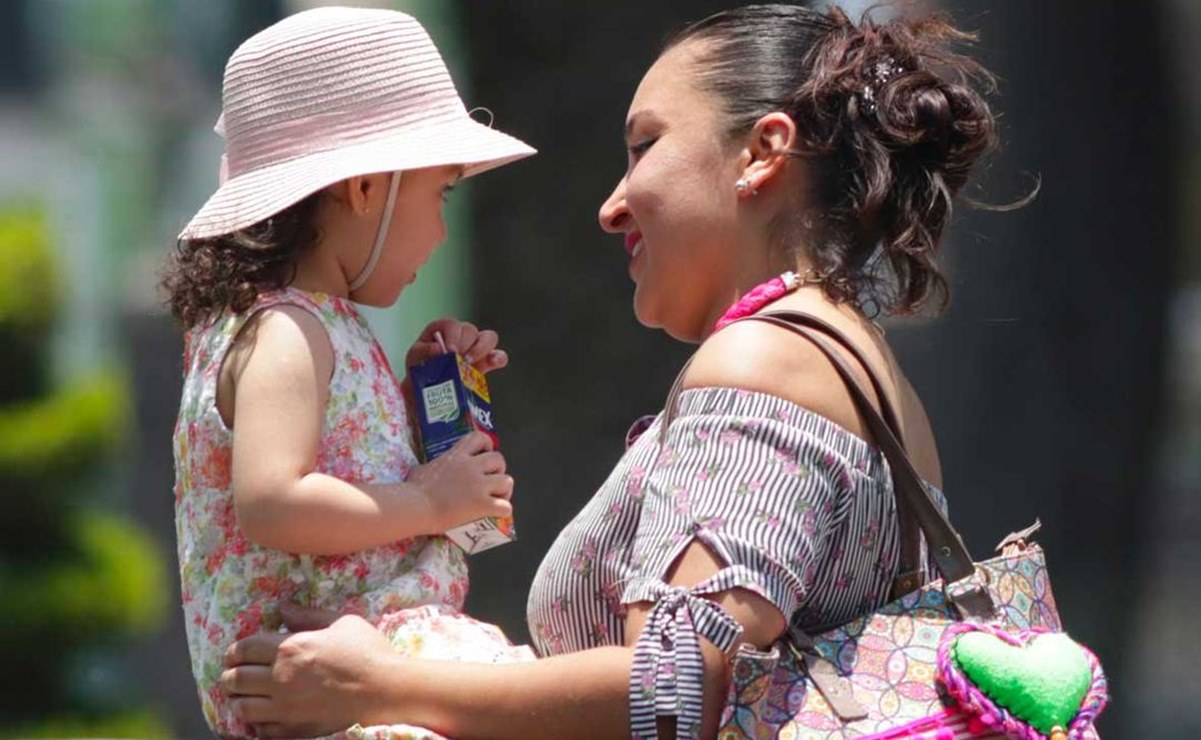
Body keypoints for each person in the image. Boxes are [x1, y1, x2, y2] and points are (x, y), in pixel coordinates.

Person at [220, 5, 1003, 738]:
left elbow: (676, 687)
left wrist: (377, 686)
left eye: (643, 147)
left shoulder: (762, 361)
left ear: (762, 152)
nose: (612, 205)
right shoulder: (858, 366)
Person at [162, 7, 536, 738]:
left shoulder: (316, 326)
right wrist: (428, 500)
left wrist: (425, 399)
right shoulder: (286, 331)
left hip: (360, 654)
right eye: (440, 193)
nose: (441, 226)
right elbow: (273, 501)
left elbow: (342, 463)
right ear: (365, 188)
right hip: (322, 667)